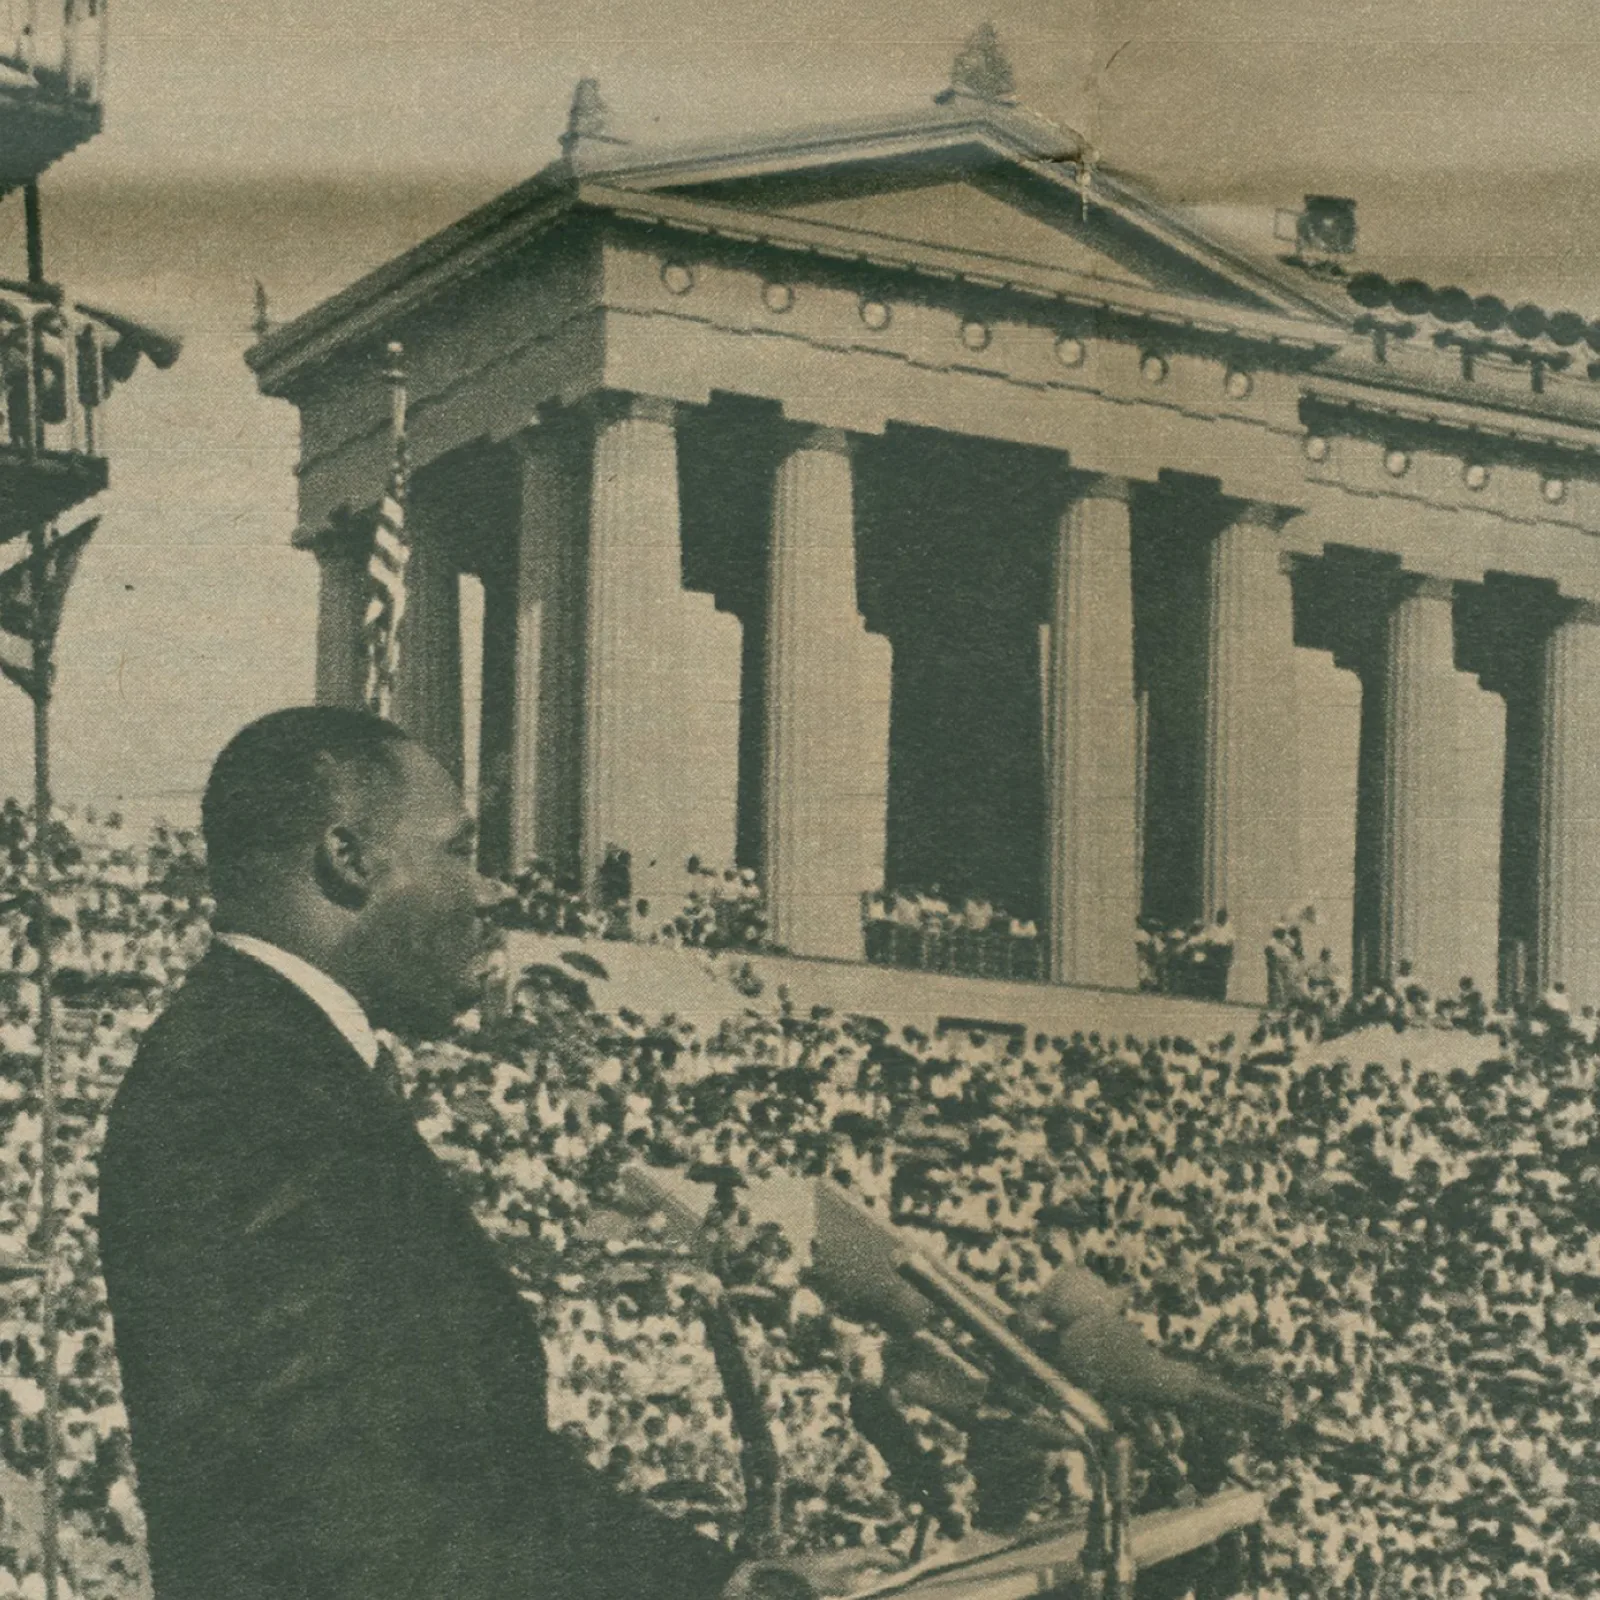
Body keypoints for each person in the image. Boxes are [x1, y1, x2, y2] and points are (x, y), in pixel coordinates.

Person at [98, 707, 869, 1600]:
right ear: (349, 859)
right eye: (460, 852)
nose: (494, 891)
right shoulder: (243, 1087)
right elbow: (337, 1531)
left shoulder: (285, 1063)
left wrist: (721, 1583)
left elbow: (476, 1467)